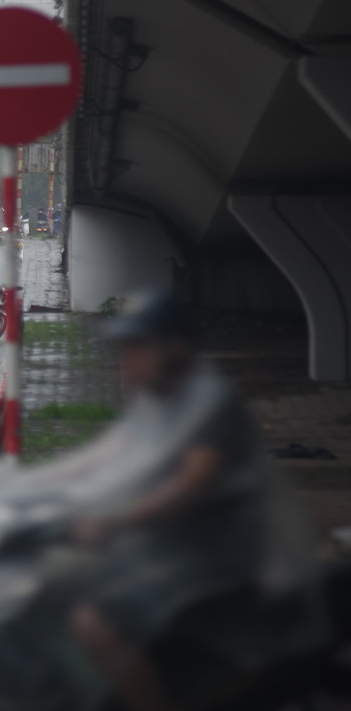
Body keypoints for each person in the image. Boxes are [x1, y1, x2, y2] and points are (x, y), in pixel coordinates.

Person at [66, 291, 286, 711]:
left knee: (91, 619)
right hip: (175, 545)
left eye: (137, 347)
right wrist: (30, 490)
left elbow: (193, 482)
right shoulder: (157, 400)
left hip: (216, 557)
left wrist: (115, 520)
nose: (125, 361)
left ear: (175, 348)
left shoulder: (209, 399)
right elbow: (104, 455)